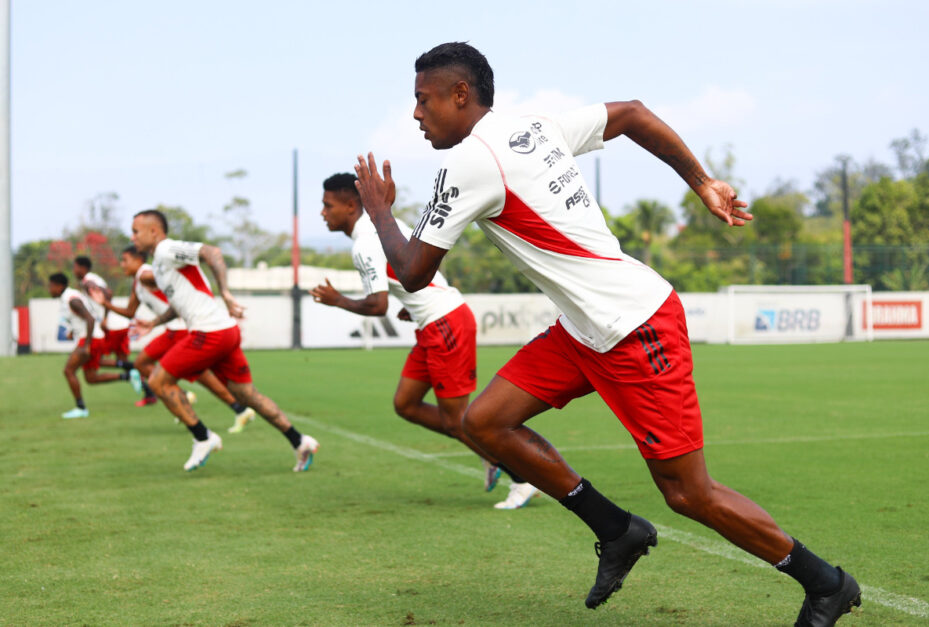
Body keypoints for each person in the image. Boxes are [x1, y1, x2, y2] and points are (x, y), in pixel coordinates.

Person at [352, 42, 860, 624]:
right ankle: (617, 531)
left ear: (459, 94)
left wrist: (379, 211)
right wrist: (702, 181)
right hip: (586, 331)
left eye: (423, 99)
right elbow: (635, 114)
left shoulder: (470, 162)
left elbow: (414, 273)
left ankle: (825, 583)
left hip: (635, 328)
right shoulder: (535, 126)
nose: (417, 114)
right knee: (485, 421)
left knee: (689, 494)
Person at [312, 173, 538, 509]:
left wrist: (337, 300)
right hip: (433, 323)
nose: (322, 212)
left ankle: (521, 478)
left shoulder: (364, 245)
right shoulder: (391, 226)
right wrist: (414, 300)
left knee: (460, 421)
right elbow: (422, 264)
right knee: (406, 404)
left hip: (446, 325)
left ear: (349, 206)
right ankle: (490, 457)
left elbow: (377, 305)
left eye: (327, 205)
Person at [129, 209, 319, 472]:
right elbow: (180, 303)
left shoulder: (166, 250)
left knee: (158, 381)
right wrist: (154, 323)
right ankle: (300, 441)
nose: (133, 237)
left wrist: (226, 293)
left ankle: (203, 437)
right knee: (247, 395)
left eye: (136, 231)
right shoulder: (160, 265)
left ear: (153, 231)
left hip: (210, 333)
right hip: (225, 331)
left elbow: (212, 253)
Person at [90, 245, 257, 433]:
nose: (122, 265)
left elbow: (168, 278)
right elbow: (130, 312)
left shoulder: (145, 274)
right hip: (174, 329)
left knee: (152, 366)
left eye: (125, 260)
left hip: (181, 329)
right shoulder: (138, 282)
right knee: (192, 374)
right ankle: (236, 408)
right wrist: (105, 304)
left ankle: (190, 400)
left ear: (139, 260)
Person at [47, 272, 142, 419]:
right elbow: (84, 318)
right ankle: (128, 375)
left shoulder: (72, 300)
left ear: (58, 286)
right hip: (92, 337)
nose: (49, 289)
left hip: (90, 339)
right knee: (91, 378)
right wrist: (73, 331)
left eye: (50, 286)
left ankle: (81, 408)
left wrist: (86, 344)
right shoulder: (70, 297)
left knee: (68, 371)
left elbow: (90, 319)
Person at [73, 255, 132, 367]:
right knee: (123, 362)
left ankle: (136, 369)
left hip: (112, 326)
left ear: (82, 267)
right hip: (120, 325)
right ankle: (140, 376)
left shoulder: (88, 281)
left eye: (75, 267)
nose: (74, 271)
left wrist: (105, 317)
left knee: (93, 358)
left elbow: (108, 293)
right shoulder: (93, 278)